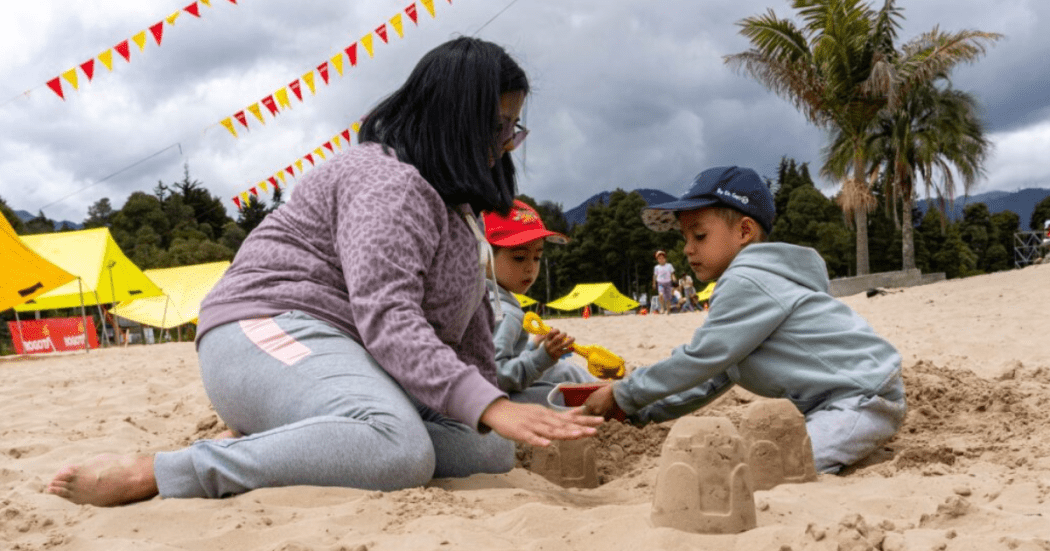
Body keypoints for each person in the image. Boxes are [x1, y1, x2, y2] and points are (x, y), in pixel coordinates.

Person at [46, 37, 601, 507]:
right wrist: (491, 404)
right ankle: (165, 471)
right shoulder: (387, 181)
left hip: (352, 357)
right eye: (497, 127)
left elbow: (470, 339)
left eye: (513, 128)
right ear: (455, 121)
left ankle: (292, 437)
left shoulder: (458, 214)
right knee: (398, 449)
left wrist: (490, 403)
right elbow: (388, 317)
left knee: (488, 449)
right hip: (265, 326)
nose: (504, 145)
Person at [584, 166, 906, 474]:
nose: (688, 249)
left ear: (744, 231)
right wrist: (639, 412)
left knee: (776, 467)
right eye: (685, 238)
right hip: (844, 398)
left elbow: (700, 358)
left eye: (699, 235)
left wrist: (623, 394)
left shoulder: (746, 281)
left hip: (862, 399)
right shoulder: (755, 282)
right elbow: (712, 376)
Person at [484, 200, 597, 405]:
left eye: (537, 258)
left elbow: (497, 356)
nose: (530, 267)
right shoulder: (503, 311)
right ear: (485, 257)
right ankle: (611, 401)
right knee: (563, 385)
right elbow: (495, 376)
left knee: (565, 372)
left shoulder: (482, 297)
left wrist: (531, 346)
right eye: (519, 257)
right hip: (492, 401)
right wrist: (542, 357)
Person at [652, 250, 676, 315]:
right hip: (660, 283)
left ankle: (668, 310)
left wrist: (674, 280)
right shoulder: (656, 267)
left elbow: (672, 274)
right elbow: (655, 276)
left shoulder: (669, 265)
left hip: (668, 283)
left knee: (668, 298)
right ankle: (662, 308)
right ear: (657, 260)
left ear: (665, 259)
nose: (661, 260)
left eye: (662, 258)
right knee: (661, 295)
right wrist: (654, 283)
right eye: (659, 258)